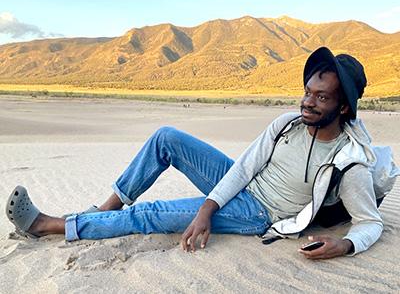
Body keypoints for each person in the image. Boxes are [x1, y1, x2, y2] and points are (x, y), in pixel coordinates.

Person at [6, 47, 397, 260]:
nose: (307, 103)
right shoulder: (287, 123)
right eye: (308, 92)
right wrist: (209, 207)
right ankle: (107, 208)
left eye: (320, 97)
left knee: (152, 214)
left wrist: (345, 245)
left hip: (260, 213)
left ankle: (47, 225)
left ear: (343, 107)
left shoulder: (351, 163)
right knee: (166, 137)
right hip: (243, 186)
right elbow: (244, 168)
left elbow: (370, 222)